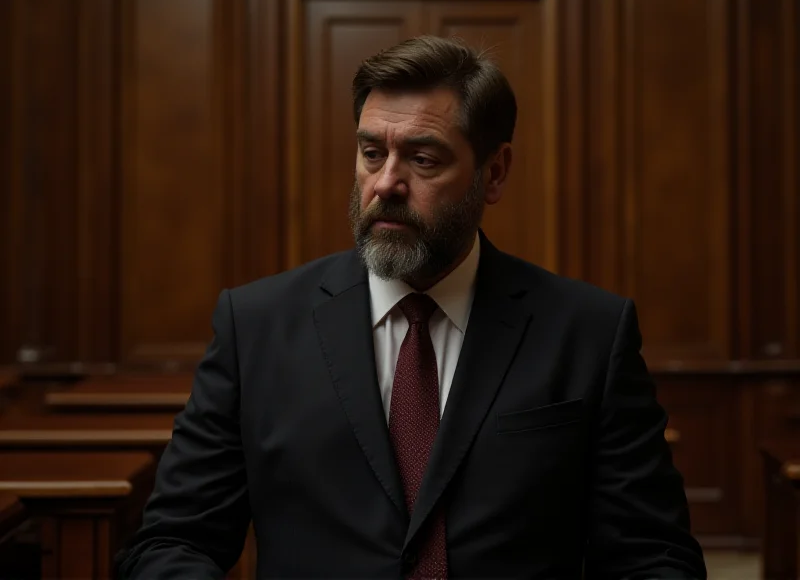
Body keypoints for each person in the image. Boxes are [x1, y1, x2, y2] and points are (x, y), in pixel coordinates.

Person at [115, 35, 707, 579]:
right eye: (372, 153)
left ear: (493, 172)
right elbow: (173, 542)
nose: (385, 184)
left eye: (423, 160)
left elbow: (653, 556)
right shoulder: (256, 325)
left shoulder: (588, 333)